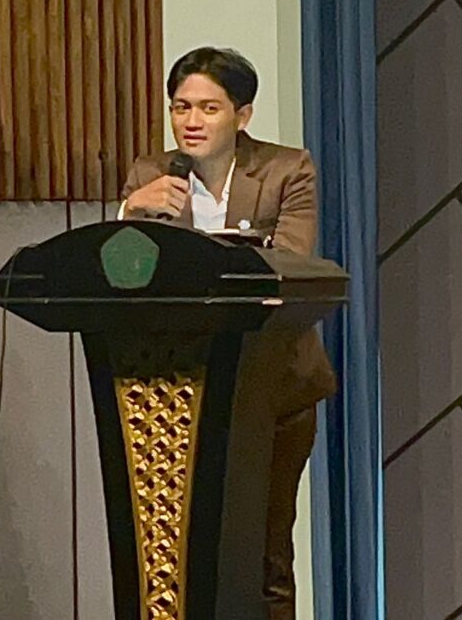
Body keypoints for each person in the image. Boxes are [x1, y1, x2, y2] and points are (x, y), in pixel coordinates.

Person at [120, 46, 336, 619]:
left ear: (242, 116)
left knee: (266, 550)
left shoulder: (287, 170)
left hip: (276, 388)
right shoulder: (150, 176)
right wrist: (129, 213)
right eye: (180, 107)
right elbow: (123, 272)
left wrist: (204, 256)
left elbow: (289, 266)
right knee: (182, 554)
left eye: (208, 108)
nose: (191, 121)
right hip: (175, 394)